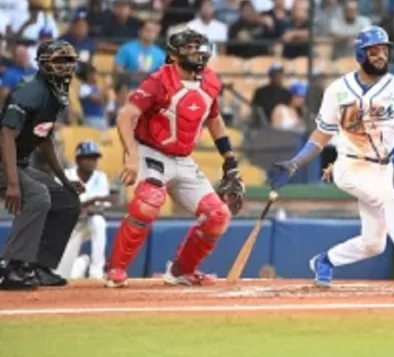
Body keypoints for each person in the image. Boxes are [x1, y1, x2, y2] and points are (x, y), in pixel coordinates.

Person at [267, 26, 394, 291]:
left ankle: (325, 261)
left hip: (383, 169)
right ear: (360, 54)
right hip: (349, 165)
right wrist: (295, 162)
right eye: (374, 51)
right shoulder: (338, 89)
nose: (381, 55)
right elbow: (322, 134)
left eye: (384, 50)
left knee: (374, 244)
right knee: (391, 199)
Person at [104, 27, 245, 288]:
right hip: (151, 152)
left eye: (197, 46)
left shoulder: (211, 81)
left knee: (218, 216)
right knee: (148, 202)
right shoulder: (158, 80)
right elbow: (126, 115)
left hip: (183, 159)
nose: (195, 52)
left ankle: (182, 271)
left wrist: (230, 159)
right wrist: (132, 157)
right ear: (173, 54)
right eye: (188, 47)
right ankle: (116, 269)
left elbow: (214, 119)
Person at [0, 41, 84, 290]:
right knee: (38, 196)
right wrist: (13, 183)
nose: (65, 67)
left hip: (19, 163)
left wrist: (64, 179)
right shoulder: (29, 92)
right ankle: (12, 266)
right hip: (5, 161)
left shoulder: (56, 92)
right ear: (43, 63)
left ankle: (38, 266)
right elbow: (6, 135)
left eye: (69, 61)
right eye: (59, 61)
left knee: (67, 200)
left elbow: (43, 136)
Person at [55, 141, 113, 280]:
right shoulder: (65, 176)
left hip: (88, 223)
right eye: (87, 158)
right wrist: (91, 202)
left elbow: (101, 207)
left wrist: (84, 204)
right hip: (68, 229)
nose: (91, 162)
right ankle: (82, 262)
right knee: (62, 275)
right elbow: (61, 205)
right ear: (77, 160)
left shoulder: (101, 177)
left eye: (94, 158)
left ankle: (96, 271)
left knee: (98, 222)